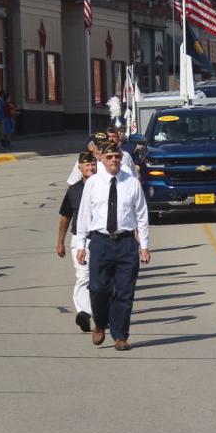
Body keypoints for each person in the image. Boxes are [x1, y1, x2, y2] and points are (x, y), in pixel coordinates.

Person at [74, 141, 151, 351]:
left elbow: (141, 215)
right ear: (101, 159)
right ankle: (100, 323)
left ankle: (120, 335)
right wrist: (81, 244)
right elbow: (84, 215)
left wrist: (144, 245)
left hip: (126, 242)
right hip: (100, 242)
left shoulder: (131, 182)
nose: (114, 160)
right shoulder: (93, 183)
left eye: (117, 156)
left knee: (124, 292)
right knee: (99, 288)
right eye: (109, 157)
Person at [57, 150, 98, 331]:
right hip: (80, 241)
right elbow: (65, 216)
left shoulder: (105, 185)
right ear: (80, 168)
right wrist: (60, 241)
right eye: (87, 165)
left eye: (93, 164)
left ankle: (99, 313)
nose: (90, 167)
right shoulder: (73, 190)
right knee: (83, 277)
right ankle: (83, 313)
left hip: (102, 240)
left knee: (102, 279)